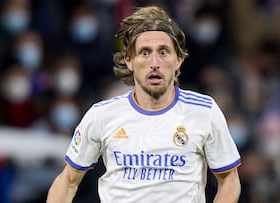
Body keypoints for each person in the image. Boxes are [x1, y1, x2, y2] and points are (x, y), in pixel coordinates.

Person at [46, 6, 241, 203]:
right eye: (145, 53)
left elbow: (229, 179)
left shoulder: (204, 111)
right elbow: (68, 180)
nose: (154, 62)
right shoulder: (102, 115)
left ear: (179, 60)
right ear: (129, 61)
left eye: (163, 52)